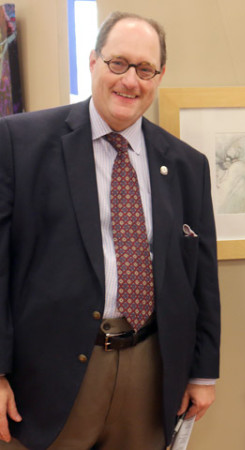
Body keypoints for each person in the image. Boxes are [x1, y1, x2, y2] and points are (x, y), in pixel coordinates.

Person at [0, 11, 220, 450]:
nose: (130, 81)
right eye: (118, 63)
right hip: (50, 372)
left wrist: (202, 372)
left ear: (159, 77)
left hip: (151, 365)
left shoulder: (185, 165)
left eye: (144, 69)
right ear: (93, 62)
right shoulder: (18, 143)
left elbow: (201, 278)